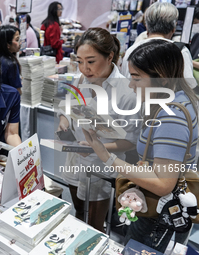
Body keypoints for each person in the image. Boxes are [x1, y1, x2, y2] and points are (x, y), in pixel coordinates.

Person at [82, 40, 198, 253]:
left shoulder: (171, 116)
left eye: (136, 78)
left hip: (157, 216)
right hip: (155, 210)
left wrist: (106, 156)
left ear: (161, 79)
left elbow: (163, 184)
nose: (130, 84)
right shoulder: (173, 102)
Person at [57, 28, 141, 232]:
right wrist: (64, 123)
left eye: (91, 61)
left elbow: (130, 141)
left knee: (94, 224)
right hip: (76, 157)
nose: (85, 68)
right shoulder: (80, 80)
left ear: (110, 56)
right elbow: (67, 107)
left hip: (102, 165)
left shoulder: (126, 92)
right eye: (80, 61)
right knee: (78, 211)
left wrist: (97, 148)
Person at [121, 2, 197, 89]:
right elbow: (189, 86)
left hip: (137, 101)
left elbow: (126, 84)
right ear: (173, 29)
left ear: (147, 27)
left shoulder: (132, 50)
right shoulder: (180, 51)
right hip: (168, 100)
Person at [0, 25, 22, 95]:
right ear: (7, 44)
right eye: (17, 40)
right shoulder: (11, 63)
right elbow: (17, 91)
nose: (20, 43)